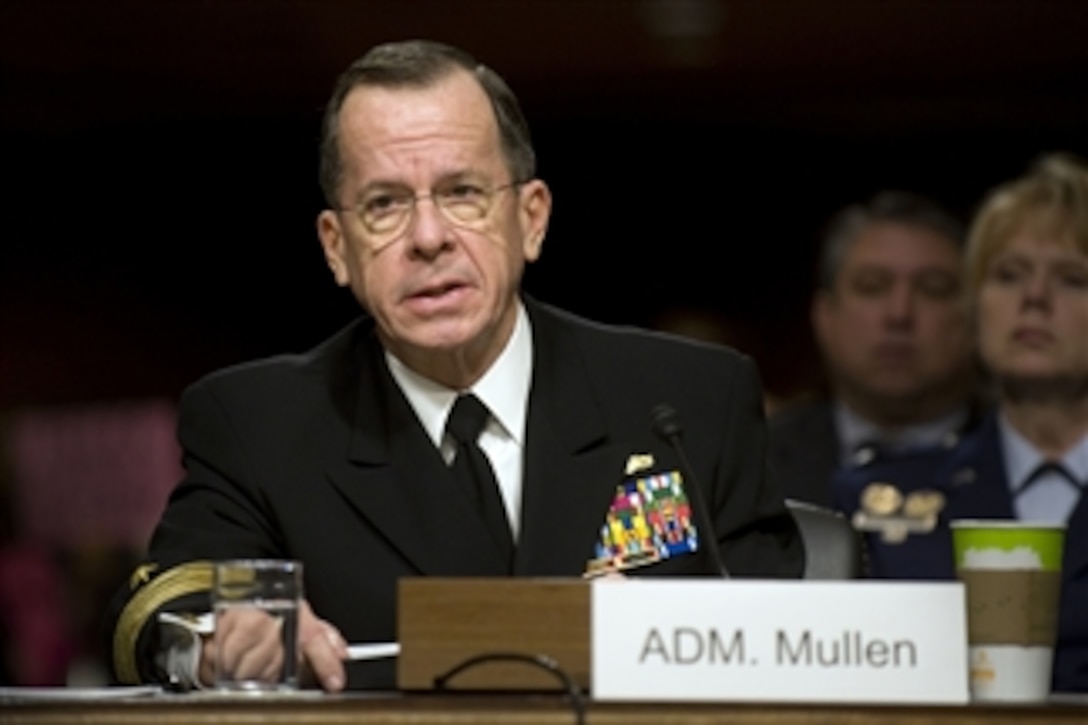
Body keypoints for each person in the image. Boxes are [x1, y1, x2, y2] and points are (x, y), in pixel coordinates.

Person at [104, 39, 803, 693]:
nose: (429, 237)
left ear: (532, 218)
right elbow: (160, 604)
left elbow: (787, 640)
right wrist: (217, 637)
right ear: (336, 247)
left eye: (463, 192)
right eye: (384, 204)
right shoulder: (259, 423)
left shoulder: (686, 399)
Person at [833, 152, 1088, 693]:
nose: (1034, 299)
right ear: (974, 308)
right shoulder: (877, 500)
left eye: (1072, 278)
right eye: (1008, 275)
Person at [767, 191, 987, 506]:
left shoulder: (1019, 459)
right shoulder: (754, 459)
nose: (899, 313)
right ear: (825, 315)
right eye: (872, 286)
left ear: (973, 317)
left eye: (933, 289)